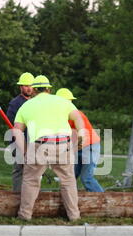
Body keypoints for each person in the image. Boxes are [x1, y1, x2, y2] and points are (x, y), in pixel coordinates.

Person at [13, 75, 85, 221]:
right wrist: (81, 135)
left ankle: (25, 215)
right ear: (49, 89)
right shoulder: (62, 101)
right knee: (68, 180)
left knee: (30, 179)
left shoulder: (26, 105)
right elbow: (78, 117)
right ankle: (74, 216)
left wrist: (25, 151)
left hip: (40, 143)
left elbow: (16, 131)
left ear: (33, 90)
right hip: (63, 142)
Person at [56, 88, 104, 192]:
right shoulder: (65, 115)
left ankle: (104, 200)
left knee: (86, 178)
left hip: (90, 146)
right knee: (70, 176)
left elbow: (79, 137)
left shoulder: (75, 115)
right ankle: (68, 199)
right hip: (81, 147)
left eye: (69, 101)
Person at [6, 72, 35, 192]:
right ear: (20, 87)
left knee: (33, 171)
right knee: (19, 170)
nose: (28, 88)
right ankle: (17, 195)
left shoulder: (35, 102)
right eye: (25, 85)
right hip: (19, 142)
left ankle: (31, 196)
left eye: (31, 86)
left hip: (33, 141)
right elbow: (13, 125)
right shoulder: (15, 103)